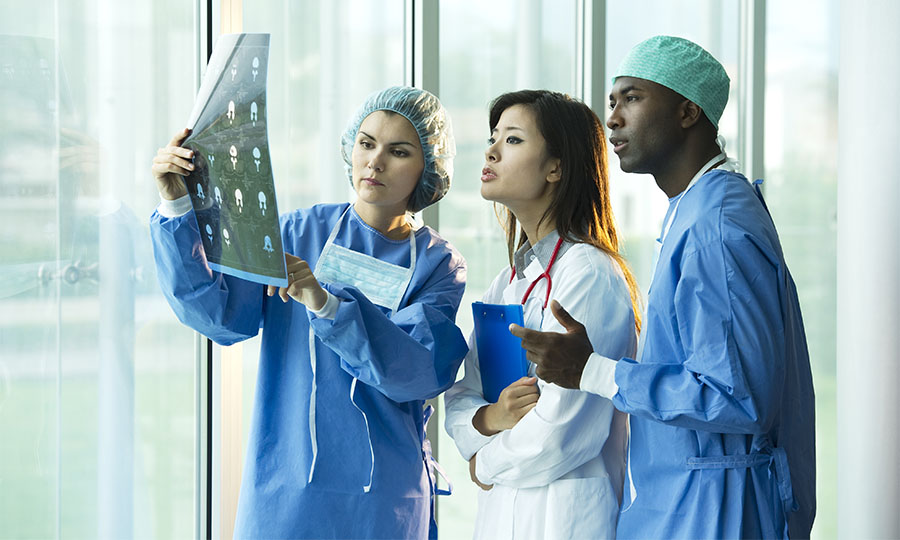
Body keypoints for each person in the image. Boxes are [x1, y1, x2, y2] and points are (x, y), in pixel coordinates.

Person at [510, 36, 816, 539]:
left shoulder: (715, 225)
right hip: (686, 502)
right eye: (611, 102)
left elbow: (739, 397)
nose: (612, 119)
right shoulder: (692, 212)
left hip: (720, 512)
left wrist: (595, 371)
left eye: (631, 98)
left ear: (687, 111)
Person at [149, 86, 468, 539]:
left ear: (428, 168)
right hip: (286, 490)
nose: (375, 161)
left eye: (398, 151)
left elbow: (416, 370)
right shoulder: (296, 233)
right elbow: (221, 317)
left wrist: (327, 303)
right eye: (366, 143)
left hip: (384, 498)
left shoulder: (438, 264)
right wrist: (175, 202)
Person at [444, 90, 641, 539]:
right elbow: (459, 399)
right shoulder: (509, 280)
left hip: (565, 519)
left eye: (512, 140)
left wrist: (484, 463)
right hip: (502, 517)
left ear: (556, 167)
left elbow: (561, 431)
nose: (491, 150)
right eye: (493, 137)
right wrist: (491, 417)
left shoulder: (590, 273)